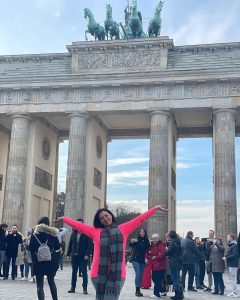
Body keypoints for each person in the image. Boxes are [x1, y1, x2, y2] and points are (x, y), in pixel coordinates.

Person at [56, 204, 168, 300]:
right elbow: (78, 225)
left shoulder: (124, 228)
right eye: (102, 218)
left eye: (106, 215)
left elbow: (140, 219)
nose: (105, 218)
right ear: (99, 221)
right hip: (97, 273)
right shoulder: (94, 231)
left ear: (111, 215)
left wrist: (155, 209)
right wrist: (64, 219)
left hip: (118, 275)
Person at [29, 217, 60, 300]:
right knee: (51, 282)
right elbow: (57, 247)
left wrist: (34, 261)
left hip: (38, 262)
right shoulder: (52, 234)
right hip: (51, 262)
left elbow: (31, 249)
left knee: (39, 285)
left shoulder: (34, 235)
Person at [66, 218, 92, 294]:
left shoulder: (86, 233)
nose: (78, 225)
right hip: (74, 256)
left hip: (83, 256)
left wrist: (87, 254)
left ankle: (85, 288)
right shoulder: (73, 233)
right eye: (77, 223)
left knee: (84, 272)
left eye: (80, 223)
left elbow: (89, 245)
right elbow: (70, 244)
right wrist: (68, 253)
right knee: (74, 272)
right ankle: (72, 288)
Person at [145, 233, 167, 298]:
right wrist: (146, 257)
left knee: (157, 279)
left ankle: (156, 294)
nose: (154, 240)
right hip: (154, 265)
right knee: (154, 278)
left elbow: (162, 254)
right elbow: (147, 252)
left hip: (160, 265)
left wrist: (156, 257)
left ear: (158, 238)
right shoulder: (151, 245)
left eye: (155, 239)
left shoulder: (161, 245)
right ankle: (163, 290)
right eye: (153, 239)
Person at [130, 228, 150, 296]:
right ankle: (137, 291)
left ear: (145, 233)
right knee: (138, 274)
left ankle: (139, 290)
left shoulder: (147, 241)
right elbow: (131, 245)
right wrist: (131, 241)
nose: (142, 233)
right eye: (141, 232)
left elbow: (148, 250)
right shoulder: (136, 240)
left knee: (141, 275)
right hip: (135, 259)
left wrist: (146, 258)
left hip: (143, 260)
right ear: (139, 233)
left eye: (143, 232)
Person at [166, 230, 183, 300]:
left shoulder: (173, 243)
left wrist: (166, 250)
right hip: (178, 262)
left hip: (173, 262)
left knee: (174, 279)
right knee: (177, 278)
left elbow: (169, 252)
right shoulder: (178, 242)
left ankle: (178, 295)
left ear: (170, 236)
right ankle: (179, 294)